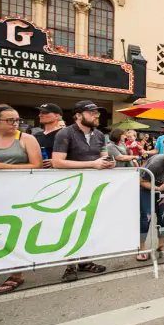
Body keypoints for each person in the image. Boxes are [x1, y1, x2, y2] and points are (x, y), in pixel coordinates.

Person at [0, 104, 42, 293]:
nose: (15, 123)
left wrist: (1, 166)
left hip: (20, 193)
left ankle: (16, 274)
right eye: (10, 120)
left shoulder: (27, 138)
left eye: (17, 120)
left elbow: (37, 165)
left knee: (17, 232)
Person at [52, 100, 113, 281]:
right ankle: (70, 265)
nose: (96, 116)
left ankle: (86, 261)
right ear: (78, 115)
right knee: (72, 226)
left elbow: (104, 156)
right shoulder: (65, 133)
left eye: (97, 113)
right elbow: (57, 162)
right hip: (71, 186)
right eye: (92, 113)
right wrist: (92, 164)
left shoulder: (100, 134)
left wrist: (110, 162)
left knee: (89, 225)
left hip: (93, 187)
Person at [33, 103, 64, 168]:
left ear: (57, 116)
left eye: (45, 112)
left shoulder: (65, 134)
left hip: (60, 174)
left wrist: (57, 161)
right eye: (40, 113)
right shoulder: (36, 135)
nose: (40, 115)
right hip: (37, 174)